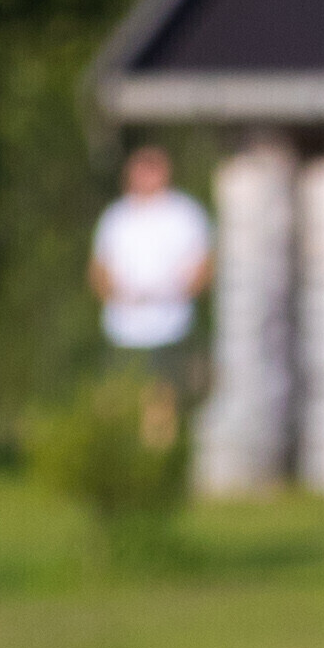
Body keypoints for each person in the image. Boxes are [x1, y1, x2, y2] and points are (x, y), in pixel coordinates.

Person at [87, 144, 214, 445]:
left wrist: (178, 293)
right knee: (119, 397)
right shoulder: (117, 216)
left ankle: (159, 457)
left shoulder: (185, 213)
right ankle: (120, 451)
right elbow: (98, 269)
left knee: (162, 400)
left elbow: (205, 264)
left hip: (169, 325)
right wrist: (116, 295)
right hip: (123, 326)